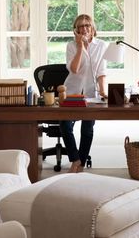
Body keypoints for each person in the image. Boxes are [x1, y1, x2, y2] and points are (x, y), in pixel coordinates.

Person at [60, 14, 107, 173]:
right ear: (75, 30)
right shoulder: (71, 45)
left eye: (87, 25)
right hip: (72, 92)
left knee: (87, 129)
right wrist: (80, 46)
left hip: (91, 93)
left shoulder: (101, 46)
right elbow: (74, 69)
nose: (84, 28)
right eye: (80, 26)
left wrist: (103, 91)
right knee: (65, 125)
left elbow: (101, 72)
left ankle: (80, 164)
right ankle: (76, 159)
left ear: (93, 29)